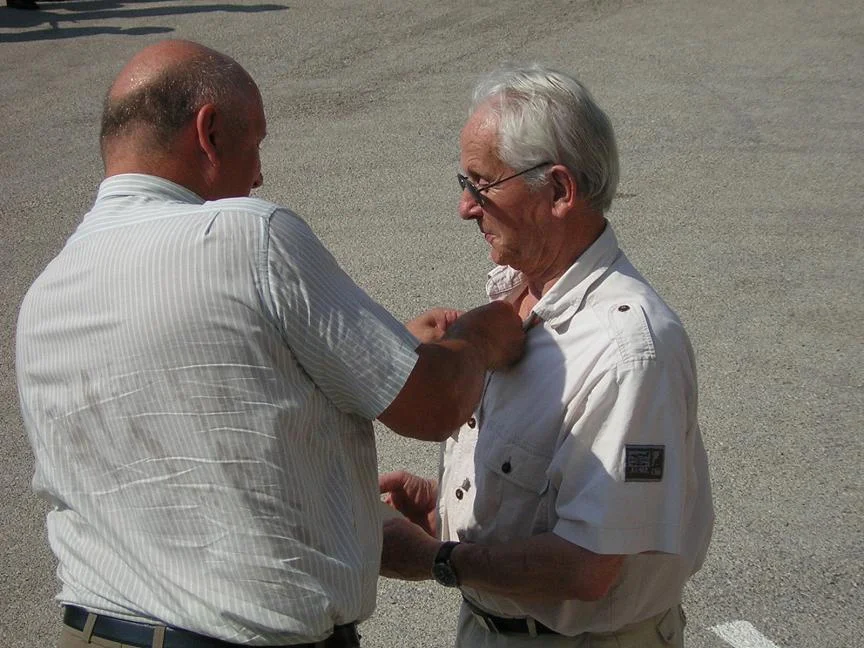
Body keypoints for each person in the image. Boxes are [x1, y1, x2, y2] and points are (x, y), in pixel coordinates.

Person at [15, 40, 527, 648]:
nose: (258, 174)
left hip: (93, 628)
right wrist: (482, 332)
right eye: (255, 143)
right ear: (208, 133)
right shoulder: (249, 235)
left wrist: (379, 350)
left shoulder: (47, 292)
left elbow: (194, 415)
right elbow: (434, 404)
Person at [379, 65, 714, 647]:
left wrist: (437, 558)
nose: (464, 206)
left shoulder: (628, 352)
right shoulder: (518, 294)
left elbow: (587, 567)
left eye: (481, 184)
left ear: (559, 191)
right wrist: (447, 513)